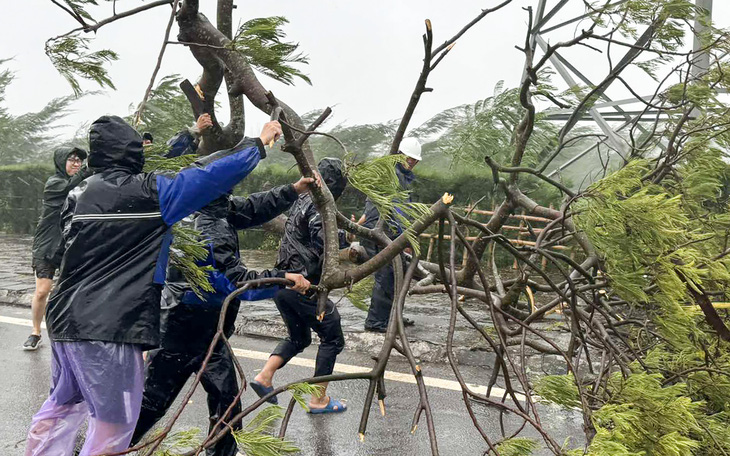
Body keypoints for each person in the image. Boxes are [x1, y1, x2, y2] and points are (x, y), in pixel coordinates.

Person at [24, 114, 282, 456]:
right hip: (108, 328)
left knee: (62, 408)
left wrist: (189, 134)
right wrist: (258, 145)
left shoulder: (79, 191)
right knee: (114, 424)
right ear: (133, 154)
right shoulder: (147, 195)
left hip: (65, 321)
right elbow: (205, 178)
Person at [131, 177, 316, 456]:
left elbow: (252, 207)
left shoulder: (203, 206)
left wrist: (292, 191)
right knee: (153, 402)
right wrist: (283, 278)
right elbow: (235, 282)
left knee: (226, 399)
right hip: (184, 328)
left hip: (204, 327)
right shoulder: (211, 227)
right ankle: (105, 448)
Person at [251, 158, 350, 414]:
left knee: (299, 337)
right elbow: (321, 240)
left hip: (282, 282)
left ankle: (264, 376)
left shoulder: (301, 200)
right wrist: (347, 241)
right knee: (332, 336)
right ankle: (319, 399)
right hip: (302, 284)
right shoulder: (319, 205)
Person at [24, 147, 92, 351]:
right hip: (47, 245)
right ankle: (35, 331)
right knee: (43, 291)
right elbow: (69, 187)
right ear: (61, 161)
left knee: (72, 291)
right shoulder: (54, 183)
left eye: (79, 161)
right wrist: (90, 165)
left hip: (70, 245)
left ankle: (67, 331)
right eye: (71, 160)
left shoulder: (85, 185)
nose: (76, 164)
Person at [363, 138, 421, 333]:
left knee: (400, 272)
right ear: (400, 155)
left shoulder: (404, 177)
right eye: (409, 158)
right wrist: (401, 237)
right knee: (386, 274)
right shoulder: (392, 175)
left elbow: (406, 209)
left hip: (392, 230)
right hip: (381, 229)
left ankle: (392, 316)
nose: (412, 162)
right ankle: (376, 321)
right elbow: (394, 211)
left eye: (415, 160)